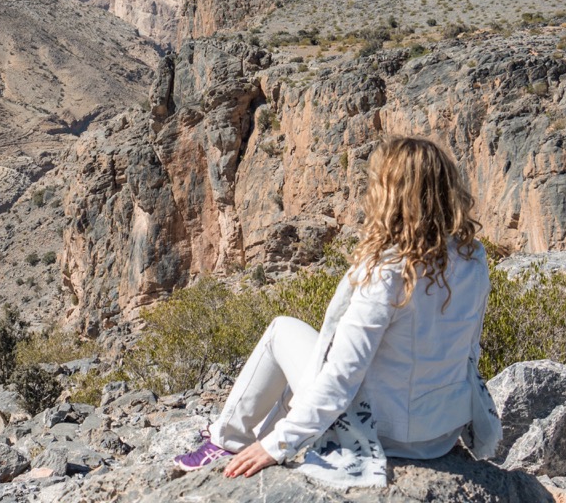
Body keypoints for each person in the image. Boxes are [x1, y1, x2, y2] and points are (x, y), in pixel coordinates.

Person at [173, 135, 495, 483]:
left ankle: (227, 440)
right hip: (440, 435)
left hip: (383, 432)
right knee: (307, 360)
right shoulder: (473, 258)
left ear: (390, 194)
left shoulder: (387, 272)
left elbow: (342, 373)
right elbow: (468, 353)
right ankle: (246, 434)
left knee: (282, 330)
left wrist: (277, 445)